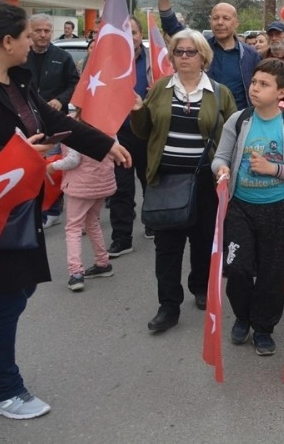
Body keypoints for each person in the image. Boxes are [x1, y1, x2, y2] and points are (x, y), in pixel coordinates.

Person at [0, 2, 131, 420]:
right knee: (5, 296)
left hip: (19, 206)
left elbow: (54, 121)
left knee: (15, 291)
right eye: (27, 35)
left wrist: (105, 143)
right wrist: (14, 153)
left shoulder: (19, 82)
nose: (33, 42)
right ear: (7, 41)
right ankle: (3, 390)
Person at [130, 29, 237, 333]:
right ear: (172, 57)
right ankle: (168, 306)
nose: (185, 57)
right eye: (179, 52)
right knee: (167, 246)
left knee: (203, 240)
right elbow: (143, 131)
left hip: (205, 179)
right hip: (165, 178)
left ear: (204, 57)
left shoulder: (219, 92)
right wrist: (137, 111)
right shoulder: (160, 88)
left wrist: (225, 169)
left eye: (191, 52)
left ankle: (200, 286)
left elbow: (231, 135)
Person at [213, 58, 284, 356]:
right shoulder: (239, 120)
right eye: (254, 82)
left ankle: (263, 328)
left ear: (281, 93)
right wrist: (222, 171)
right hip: (241, 207)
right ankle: (243, 317)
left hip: (277, 209)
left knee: (271, 274)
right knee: (239, 269)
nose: (255, 88)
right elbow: (219, 157)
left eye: (264, 84)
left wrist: (274, 170)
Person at [22, 13, 81, 226]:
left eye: (47, 30)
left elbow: (74, 83)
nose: (43, 35)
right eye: (38, 30)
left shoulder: (62, 56)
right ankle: (31, 208)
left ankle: (53, 209)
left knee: (52, 166)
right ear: (30, 31)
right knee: (30, 166)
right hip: (27, 122)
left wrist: (60, 99)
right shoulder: (22, 55)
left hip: (54, 121)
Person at [50, 127, 118, 292]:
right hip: (103, 182)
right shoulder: (109, 124)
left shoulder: (74, 127)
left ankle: (76, 273)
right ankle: (103, 263)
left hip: (80, 185)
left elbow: (73, 160)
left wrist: (52, 166)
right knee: (92, 222)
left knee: (73, 228)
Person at [158, 0, 259, 109]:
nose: (220, 22)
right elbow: (171, 26)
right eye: (215, 18)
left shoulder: (251, 55)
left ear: (236, 23)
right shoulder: (199, 48)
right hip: (205, 117)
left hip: (239, 119)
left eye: (226, 18)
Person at [109, 16, 152, 258]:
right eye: (125, 33)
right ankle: (121, 237)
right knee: (121, 189)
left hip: (147, 133)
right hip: (120, 133)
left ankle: (151, 223)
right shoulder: (110, 62)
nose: (130, 37)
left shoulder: (154, 60)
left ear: (140, 34)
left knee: (150, 183)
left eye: (134, 32)